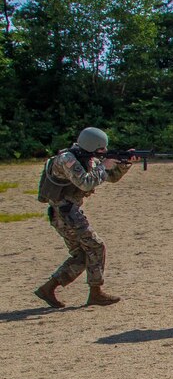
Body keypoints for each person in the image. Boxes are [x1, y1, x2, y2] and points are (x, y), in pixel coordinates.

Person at [34, 127, 136, 308]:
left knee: (82, 255)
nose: (104, 152)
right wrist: (104, 166)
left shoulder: (86, 157)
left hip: (67, 214)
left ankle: (48, 288)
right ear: (92, 146)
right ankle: (96, 293)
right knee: (96, 246)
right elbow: (86, 183)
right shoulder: (67, 160)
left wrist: (124, 163)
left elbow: (110, 177)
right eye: (101, 149)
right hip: (66, 213)